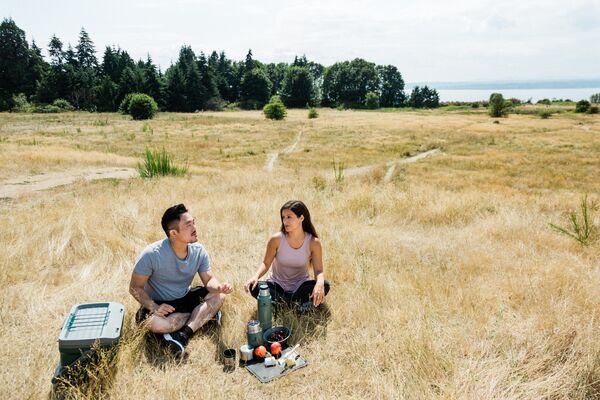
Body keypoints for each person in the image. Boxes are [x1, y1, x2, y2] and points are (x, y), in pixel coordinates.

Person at [129, 203, 233, 357]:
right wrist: (153, 306)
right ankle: (204, 317)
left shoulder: (199, 251)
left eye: (193, 222)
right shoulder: (152, 254)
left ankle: (184, 334)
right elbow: (134, 287)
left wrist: (219, 287)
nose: (194, 227)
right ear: (173, 233)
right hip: (162, 304)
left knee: (220, 296)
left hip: (185, 298)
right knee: (154, 324)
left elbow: (209, 279)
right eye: (188, 225)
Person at [244, 200, 330, 309]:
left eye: (289, 217)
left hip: (300, 287)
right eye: (283, 217)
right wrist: (255, 276)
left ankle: (282, 305)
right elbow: (265, 263)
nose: (285, 221)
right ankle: (295, 305)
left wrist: (319, 284)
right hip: (277, 286)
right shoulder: (276, 239)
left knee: (325, 285)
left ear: (301, 218)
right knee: (253, 286)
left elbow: (319, 271)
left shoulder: (313, 242)